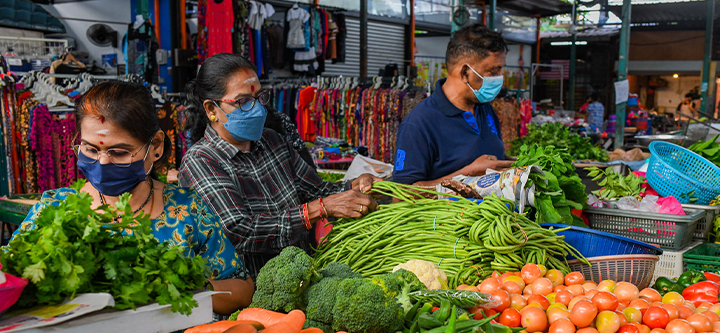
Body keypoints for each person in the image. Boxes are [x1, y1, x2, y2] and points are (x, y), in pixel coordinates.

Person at [13, 81, 254, 315]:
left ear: (156, 145)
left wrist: (193, 289)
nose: (103, 161)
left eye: (119, 152)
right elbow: (8, 280)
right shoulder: (54, 211)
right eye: (90, 149)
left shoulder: (186, 208)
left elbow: (242, 289)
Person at [179, 53, 380, 278]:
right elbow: (239, 231)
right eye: (243, 102)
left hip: (304, 277)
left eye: (258, 97)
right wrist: (317, 210)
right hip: (249, 295)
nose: (256, 108)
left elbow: (318, 191)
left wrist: (355, 186)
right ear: (211, 109)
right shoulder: (201, 161)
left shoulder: (272, 141)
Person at [393, 24, 513, 186]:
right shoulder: (418, 124)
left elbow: (488, 156)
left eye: (501, 70)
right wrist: (466, 174)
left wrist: (514, 163)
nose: (500, 77)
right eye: (493, 71)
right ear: (465, 73)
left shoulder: (485, 108)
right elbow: (402, 195)